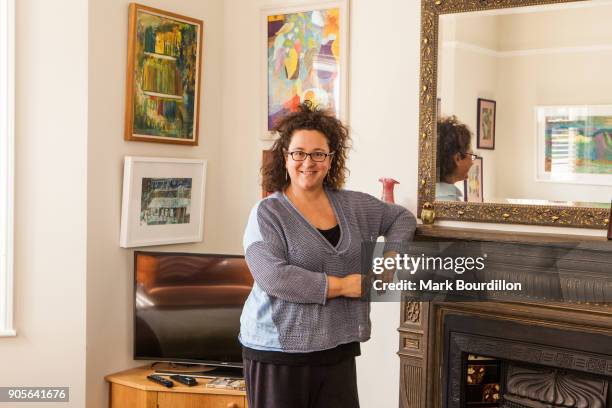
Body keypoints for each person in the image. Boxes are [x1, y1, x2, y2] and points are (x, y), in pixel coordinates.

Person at [239, 102, 416, 408]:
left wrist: (390, 260)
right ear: (285, 156)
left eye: (319, 154)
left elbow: (402, 218)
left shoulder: (353, 205)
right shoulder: (267, 212)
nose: (308, 162)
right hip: (278, 352)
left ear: (331, 159)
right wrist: (344, 285)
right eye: (299, 153)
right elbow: (273, 277)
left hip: (337, 345)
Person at [436, 116, 477, 201]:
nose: (472, 162)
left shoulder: (430, 195)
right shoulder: (451, 203)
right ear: (457, 159)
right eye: (471, 155)